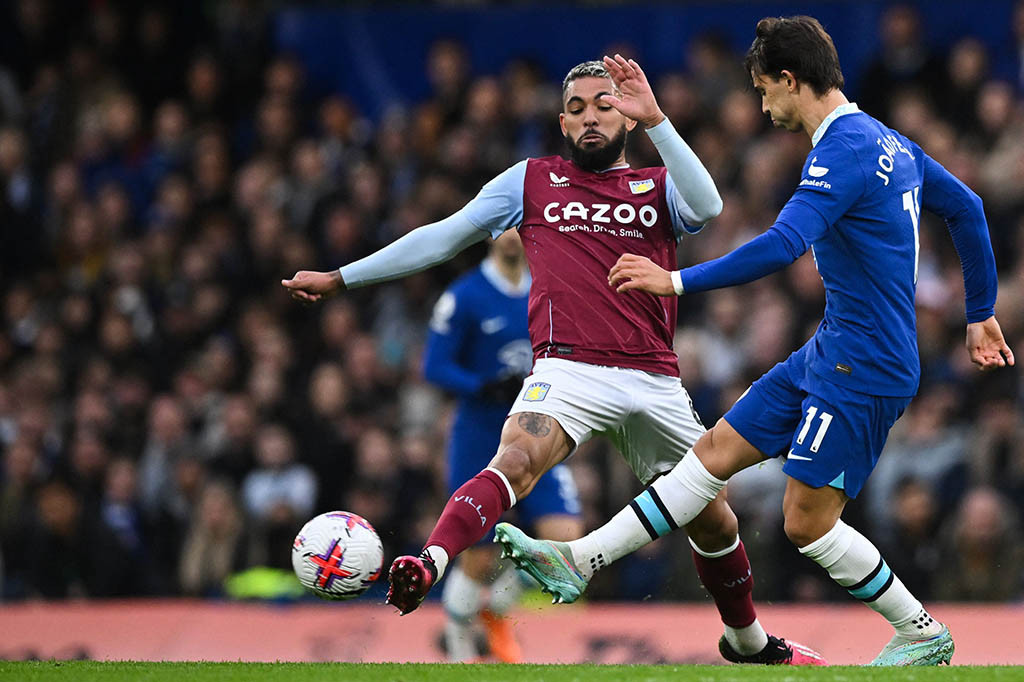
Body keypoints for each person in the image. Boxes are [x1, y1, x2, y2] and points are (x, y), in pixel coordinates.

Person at [495, 17, 1014, 667]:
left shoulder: (841, 151)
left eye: (766, 90)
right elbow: (965, 204)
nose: (763, 105)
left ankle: (921, 630)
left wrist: (675, 280)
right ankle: (579, 559)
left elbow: (783, 245)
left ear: (792, 81)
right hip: (834, 347)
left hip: (868, 364)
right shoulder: (885, 139)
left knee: (806, 522)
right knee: (712, 452)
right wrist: (981, 311)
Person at [283, 55, 825, 665]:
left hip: (654, 376)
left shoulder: (653, 183)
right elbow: (444, 234)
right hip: (568, 368)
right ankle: (429, 562)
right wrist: (341, 277)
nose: (590, 118)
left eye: (603, 105)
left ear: (624, 116)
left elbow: (709, 209)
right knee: (517, 457)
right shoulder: (531, 181)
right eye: (576, 110)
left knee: (716, 523)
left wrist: (658, 120)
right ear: (562, 125)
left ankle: (747, 641)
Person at [423, 230, 583, 662]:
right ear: (490, 234)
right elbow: (434, 366)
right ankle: (459, 651)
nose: (513, 235)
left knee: (566, 542)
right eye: (504, 226)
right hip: (480, 436)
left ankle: (496, 607)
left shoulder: (550, 288)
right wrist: (483, 386)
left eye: (520, 224)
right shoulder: (464, 296)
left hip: (538, 431)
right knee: (477, 556)